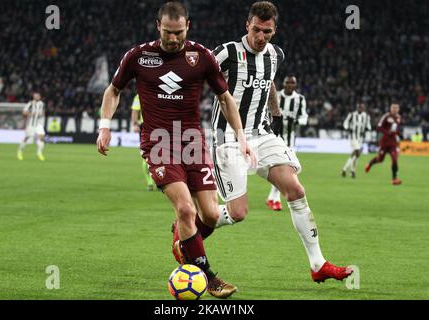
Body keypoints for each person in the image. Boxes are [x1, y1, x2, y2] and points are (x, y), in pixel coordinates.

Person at [96, 2, 254, 298]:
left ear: (188, 26)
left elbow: (225, 98)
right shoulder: (138, 56)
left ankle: (183, 240)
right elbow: (113, 90)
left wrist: (241, 136)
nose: (173, 39)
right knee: (185, 208)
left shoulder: (202, 56)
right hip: (158, 142)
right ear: (158, 26)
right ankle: (208, 277)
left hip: (193, 141)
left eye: (178, 32)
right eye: (168, 33)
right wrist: (105, 125)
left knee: (208, 215)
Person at [210, 1, 353, 283]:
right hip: (227, 137)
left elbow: (269, 81)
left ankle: (318, 264)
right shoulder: (226, 53)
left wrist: (274, 112)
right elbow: (198, 79)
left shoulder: (275, 55)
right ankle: (190, 224)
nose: (261, 38)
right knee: (238, 213)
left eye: (268, 32)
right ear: (246, 26)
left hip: (262, 134)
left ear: (275, 31)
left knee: (296, 190)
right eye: (256, 30)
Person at [266, 75, 308, 211]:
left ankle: (272, 197)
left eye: (292, 83)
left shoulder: (300, 99)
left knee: (287, 168)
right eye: (287, 82)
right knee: (279, 167)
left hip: (290, 139)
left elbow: (304, 117)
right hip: (275, 138)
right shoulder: (275, 95)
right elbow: (266, 112)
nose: (290, 85)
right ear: (283, 84)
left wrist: (296, 121)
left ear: (295, 85)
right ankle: (275, 199)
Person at [365, 103, 402, 185]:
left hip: (393, 143)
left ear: (398, 109)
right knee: (380, 159)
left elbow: (396, 129)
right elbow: (379, 127)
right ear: (390, 108)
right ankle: (370, 164)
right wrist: (387, 132)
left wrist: (398, 134)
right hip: (384, 142)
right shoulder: (386, 116)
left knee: (395, 159)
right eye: (393, 107)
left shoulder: (399, 117)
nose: (395, 109)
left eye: (396, 108)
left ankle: (394, 179)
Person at [130, 93, 156, 191]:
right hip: (146, 127)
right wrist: (135, 124)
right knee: (147, 156)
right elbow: (135, 111)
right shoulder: (139, 95)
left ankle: (158, 180)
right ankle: (150, 182)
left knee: (161, 156)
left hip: (161, 127)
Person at [341, 103, 371, 178]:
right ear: (357, 108)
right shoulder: (352, 115)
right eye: (359, 107)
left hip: (360, 139)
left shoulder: (366, 116)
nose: (360, 108)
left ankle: (350, 171)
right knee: (357, 151)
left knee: (356, 155)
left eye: (361, 107)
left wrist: (367, 129)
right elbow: (345, 123)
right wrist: (348, 128)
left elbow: (369, 126)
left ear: (363, 108)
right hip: (353, 137)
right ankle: (346, 169)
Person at [17, 92, 46, 161]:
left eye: (38, 96)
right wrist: (31, 114)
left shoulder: (42, 104)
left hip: (39, 124)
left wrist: (41, 114)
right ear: (33, 97)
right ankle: (19, 151)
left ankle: (39, 153)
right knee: (27, 138)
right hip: (31, 124)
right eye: (36, 96)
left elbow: (43, 112)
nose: (37, 97)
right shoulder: (30, 103)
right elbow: (24, 112)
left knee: (41, 137)